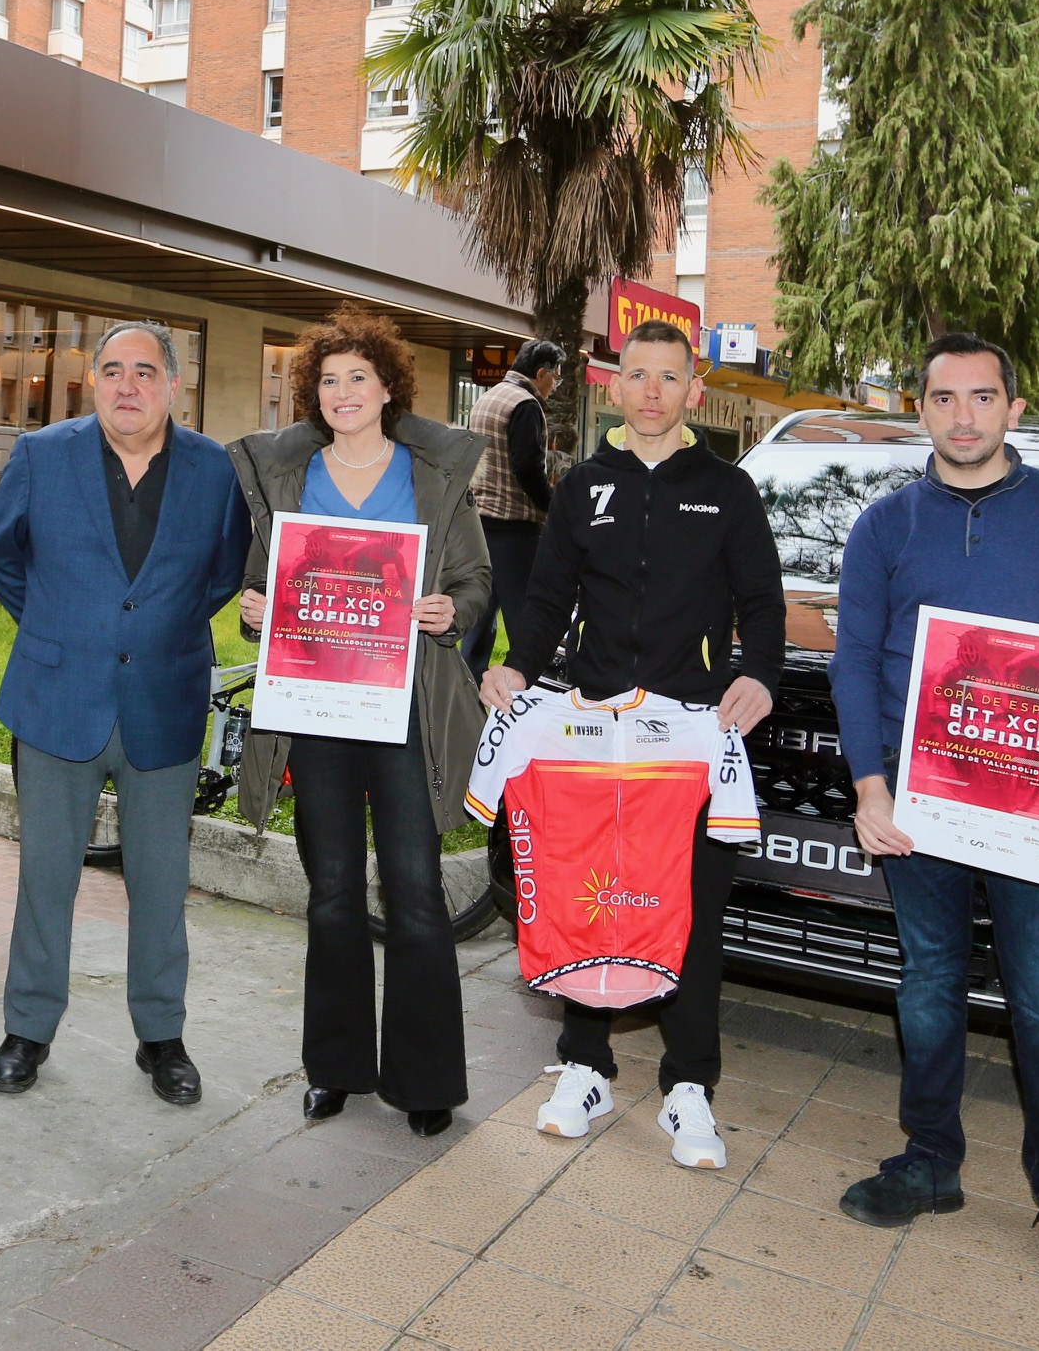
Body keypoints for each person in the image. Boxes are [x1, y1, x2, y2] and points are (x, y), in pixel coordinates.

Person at [830, 332, 1039, 1302]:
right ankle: (928, 1158)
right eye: (944, 397)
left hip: (1034, 805)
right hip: (918, 802)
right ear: (920, 408)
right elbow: (854, 660)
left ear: (1013, 408)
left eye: (982, 396)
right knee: (927, 982)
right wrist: (867, 782)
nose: (963, 414)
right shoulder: (883, 525)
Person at [479, 318, 785, 1166]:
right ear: (617, 387)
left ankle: (690, 1086)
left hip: (692, 737)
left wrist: (757, 673)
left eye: (669, 377)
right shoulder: (583, 485)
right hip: (595, 732)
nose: (653, 391)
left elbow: (762, 602)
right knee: (594, 897)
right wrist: (515, 667)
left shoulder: (727, 490)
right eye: (638, 374)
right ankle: (585, 1065)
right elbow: (545, 599)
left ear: (693, 389)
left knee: (692, 910)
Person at [0, 321, 251, 1105]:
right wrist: (60, 625)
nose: (128, 386)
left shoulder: (212, 470)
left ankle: (161, 1038)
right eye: (113, 371)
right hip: (57, 696)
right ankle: (27, 1029)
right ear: (92, 381)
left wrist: (153, 630)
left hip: (164, 701)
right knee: (45, 877)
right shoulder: (42, 455)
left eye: (146, 372)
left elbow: (224, 572)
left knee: (161, 883)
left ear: (174, 386)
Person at [230, 306, 492, 1137]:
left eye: (358, 378)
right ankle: (335, 1067)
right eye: (329, 380)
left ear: (388, 388)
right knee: (333, 892)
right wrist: (253, 607)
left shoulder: (432, 476)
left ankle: (424, 1083)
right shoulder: (285, 477)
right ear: (314, 394)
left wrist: (454, 609)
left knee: (415, 892)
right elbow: (257, 586)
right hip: (318, 707)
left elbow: (477, 578)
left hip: (404, 709)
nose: (344, 392)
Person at [461, 341, 570, 676]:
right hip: (514, 527)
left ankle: (469, 684)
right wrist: (554, 506)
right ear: (541, 374)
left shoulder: (489, 396)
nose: (555, 386)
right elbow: (527, 467)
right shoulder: (525, 404)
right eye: (556, 378)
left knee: (480, 613)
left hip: (480, 522)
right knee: (525, 615)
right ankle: (527, 685)